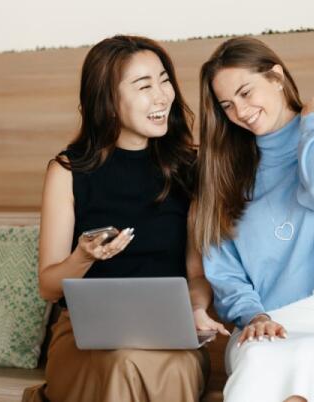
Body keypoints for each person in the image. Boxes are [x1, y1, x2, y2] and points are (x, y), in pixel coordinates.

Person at [23, 35, 227, 402]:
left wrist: (196, 309)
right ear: (108, 101)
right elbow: (48, 288)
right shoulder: (67, 171)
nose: (162, 96)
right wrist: (83, 257)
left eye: (164, 80)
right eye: (144, 86)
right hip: (86, 335)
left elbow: (196, 275)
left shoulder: (189, 168)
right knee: (121, 362)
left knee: (139, 364)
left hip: (168, 335)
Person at [194, 36, 314, 402]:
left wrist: (312, 122)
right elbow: (225, 273)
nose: (240, 111)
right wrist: (255, 317)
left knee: (300, 360)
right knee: (260, 359)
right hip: (258, 328)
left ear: (276, 77)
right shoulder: (226, 174)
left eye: (246, 93)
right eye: (227, 105)